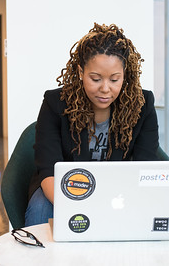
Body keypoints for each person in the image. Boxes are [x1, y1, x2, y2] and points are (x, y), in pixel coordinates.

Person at [25, 23, 159, 226]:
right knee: (41, 207)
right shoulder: (55, 103)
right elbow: (48, 169)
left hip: (116, 190)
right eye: (95, 79)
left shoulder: (141, 104)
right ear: (80, 71)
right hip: (63, 188)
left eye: (115, 79)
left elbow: (145, 168)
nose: (105, 89)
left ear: (125, 75)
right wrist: (82, 207)